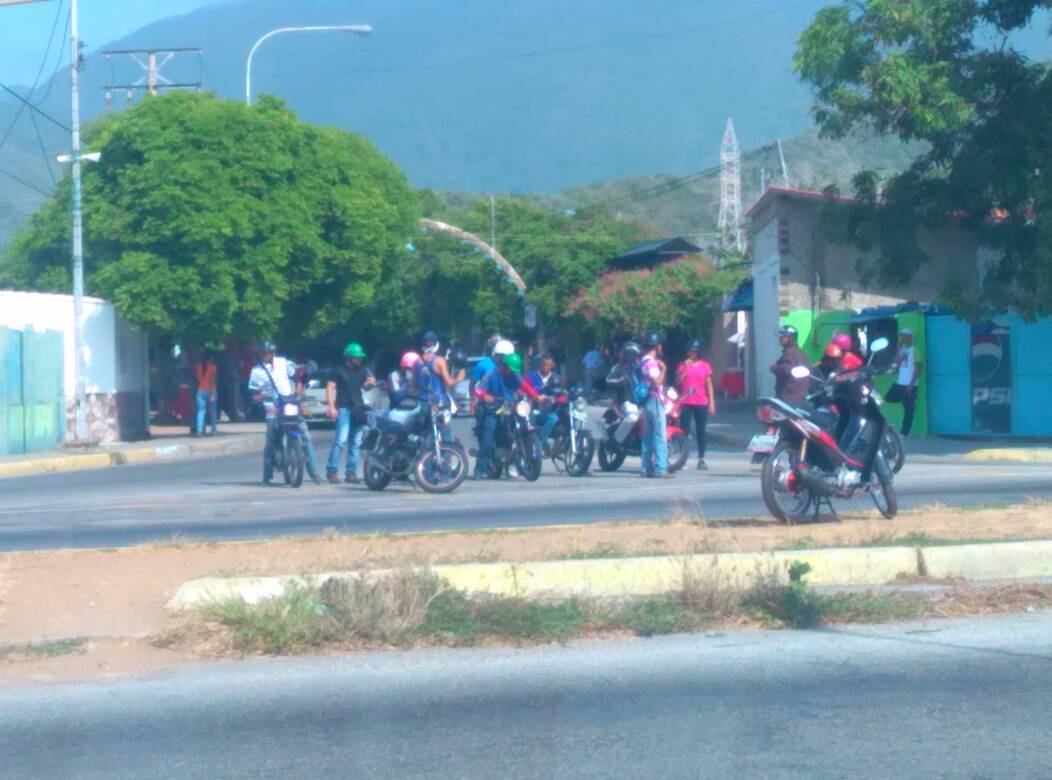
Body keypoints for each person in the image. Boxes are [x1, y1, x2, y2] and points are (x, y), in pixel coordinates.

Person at [248, 340, 321, 486]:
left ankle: (315, 473)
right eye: (262, 353)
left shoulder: (283, 363)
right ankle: (267, 476)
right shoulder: (256, 371)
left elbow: (297, 376)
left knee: (305, 437)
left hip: (290, 405)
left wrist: (299, 391)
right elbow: (254, 394)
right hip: (272, 410)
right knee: (270, 442)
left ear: (274, 352)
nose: (265, 355)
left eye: (267, 353)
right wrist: (262, 398)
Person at [473, 352, 540, 479]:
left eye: (514, 370)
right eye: (510, 369)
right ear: (504, 366)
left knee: (525, 425)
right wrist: (485, 396)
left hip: (511, 408)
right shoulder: (491, 375)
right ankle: (479, 468)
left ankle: (522, 459)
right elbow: (478, 389)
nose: (512, 372)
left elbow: (525, 386)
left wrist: (536, 395)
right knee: (488, 434)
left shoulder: (515, 375)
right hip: (493, 410)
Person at [325, 342, 376, 484]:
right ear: (349, 358)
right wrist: (331, 407)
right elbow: (330, 387)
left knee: (355, 443)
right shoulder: (338, 371)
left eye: (360, 357)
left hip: (358, 409)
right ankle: (332, 470)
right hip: (343, 408)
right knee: (340, 440)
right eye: (357, 357)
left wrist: (370, 383)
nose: (359, 359)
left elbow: (366, 388)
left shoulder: (363, 371)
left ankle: (351, 472)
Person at [416, 330, 466, 442]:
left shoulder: (417, 362)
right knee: (445, 432)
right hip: (439, 403)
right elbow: (449, 383)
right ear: (436, 344)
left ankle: (425, 459)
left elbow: (414, 385)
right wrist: (460, 378)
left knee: (426, 436)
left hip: (423, 403)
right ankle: (446, 458)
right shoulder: (439, 361)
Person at [675, 339, 716, 470]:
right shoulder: (682, 365)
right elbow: (678, 382)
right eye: (689, 351)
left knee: (701, 431)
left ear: (698, 352)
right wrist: (686, 368)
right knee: (684, 431)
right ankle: (683, 458)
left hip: (701, 401)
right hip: (686, 401)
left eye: (694, 351)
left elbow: (708, 384)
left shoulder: (705, 366)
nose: (691, 353)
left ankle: (701, 458)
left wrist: (712, 403)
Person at [640, 332, 672, 479]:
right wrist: (664, 369)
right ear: (656, 346)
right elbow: (657, 382)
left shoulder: (641, 361)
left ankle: (646, 468)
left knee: (647, 435)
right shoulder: (651, 363)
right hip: (654, 400)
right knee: (660, 435)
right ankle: (661, 468)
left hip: (646, 401)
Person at [887, 327, 921, 437]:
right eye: (902, 335)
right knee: (888, 398)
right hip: (900, 382)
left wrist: (911, 384)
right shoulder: (902, 349)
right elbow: (896, 363)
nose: (902, 337)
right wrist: (898, 349)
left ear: (910, 337)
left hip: (910, 384)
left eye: (904, 335)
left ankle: (905, 432)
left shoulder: (915, 350)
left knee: (908, 409)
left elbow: (918, 368)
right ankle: (910, 402)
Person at [771, 325, 810, 407]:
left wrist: (774, 368)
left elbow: (786, 370)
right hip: (799, 395)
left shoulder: (789, 353)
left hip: (788, 396)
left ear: (791, 338)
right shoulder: (801, 352)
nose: (780, 339)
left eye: (783, 337)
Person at [528, 354, 560, 448]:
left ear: (552, 365)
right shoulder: (531, 376)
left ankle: (539, 443)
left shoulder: (557, 378)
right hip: (532, 410)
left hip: (548, 411)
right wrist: (536, 397)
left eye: (548, 365)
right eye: (544, 364)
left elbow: (561, 392)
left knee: (553, 418)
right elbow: (524, 390)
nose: (546, 367)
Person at [193, 351, 219, 437]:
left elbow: (197, 378)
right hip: (211, 390)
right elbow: (213, 380)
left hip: (200, 391)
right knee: (212, 412)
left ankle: (199, 430)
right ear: (210, 358)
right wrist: (213, 393)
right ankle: (214, 430)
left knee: (201, 411)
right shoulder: (213, 367)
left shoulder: (198, 367)